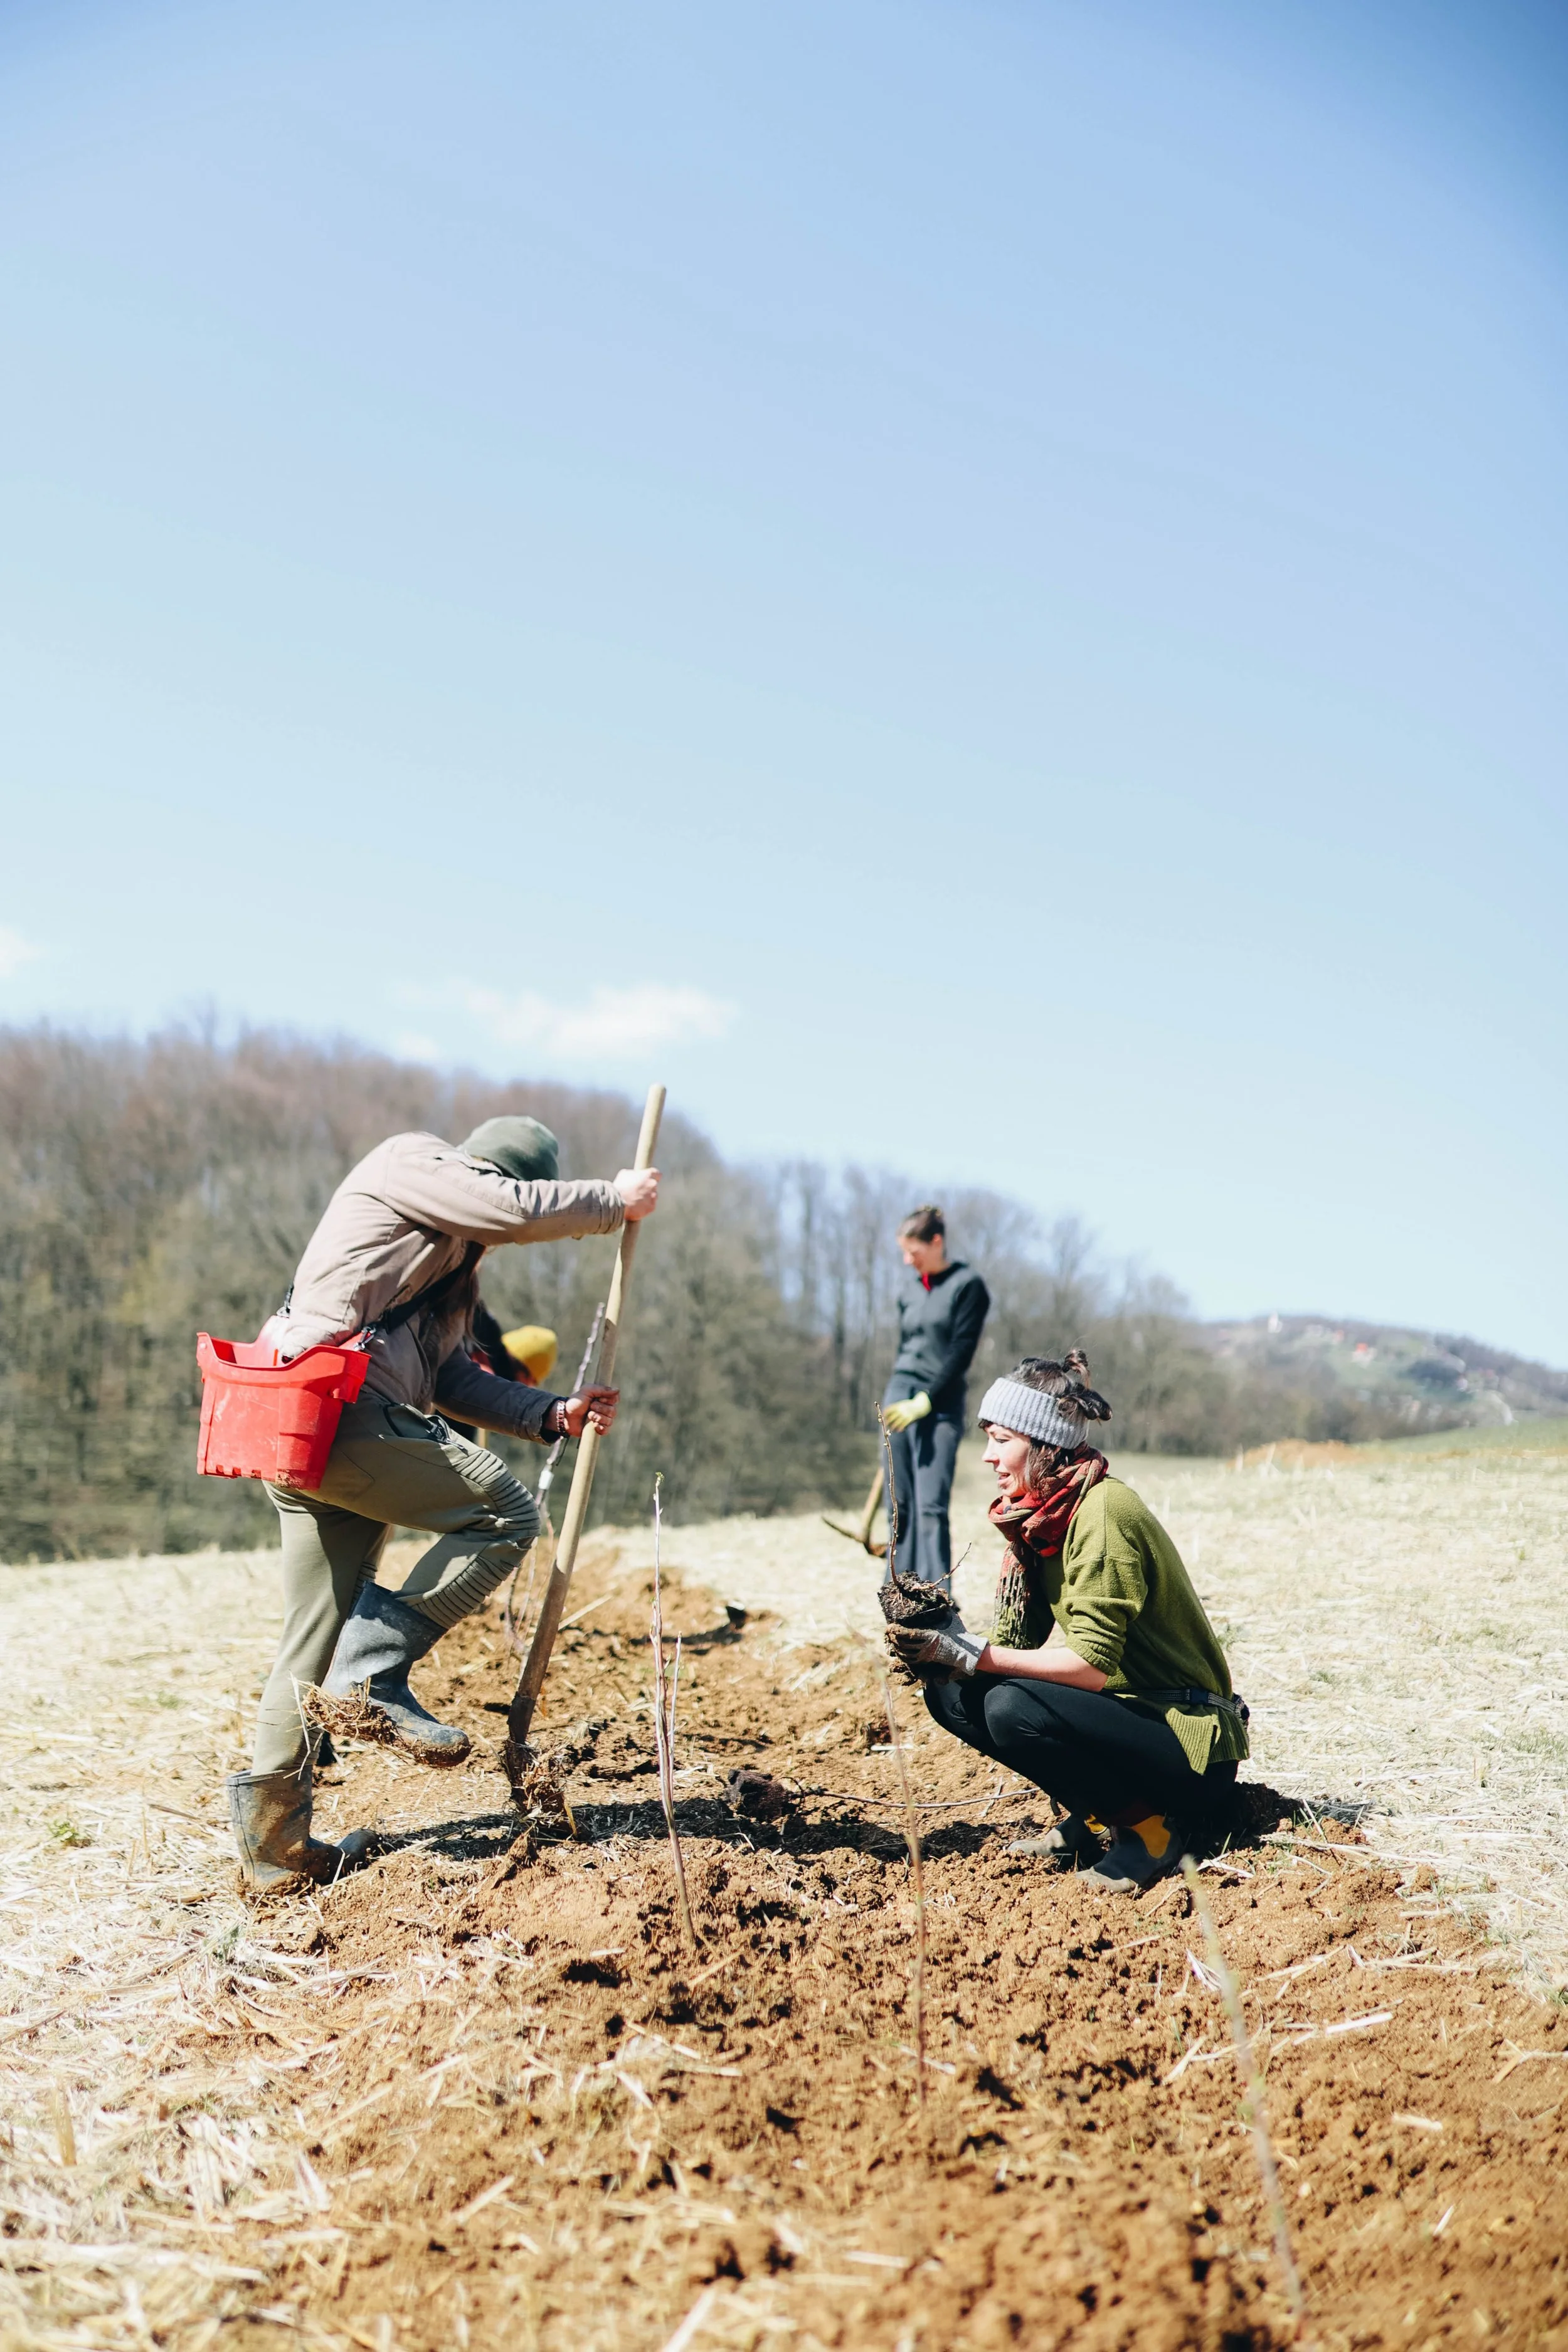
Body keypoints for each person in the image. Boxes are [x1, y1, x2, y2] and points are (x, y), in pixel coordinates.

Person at [225, 1112, 658, 1894]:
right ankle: (374, 1670)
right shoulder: (411, 1163)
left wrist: (550, 1413)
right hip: (335, 1412)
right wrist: (610, 1202)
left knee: (309, 1639)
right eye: (502, 1186)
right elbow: (509, 1210)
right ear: (489, 1172)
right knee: (507, 1515)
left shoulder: (448, 1266)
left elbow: (449, 1379)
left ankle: (275, 1856)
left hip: (313, 1425)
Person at [885, 1352, 1248, 1895]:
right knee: (953, 1697)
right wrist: (945, 1635)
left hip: (1191, 1743)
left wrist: (972, 1653)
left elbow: (1092, 1665)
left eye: (1002, 1440)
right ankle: (1096, 1815)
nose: (988, 1456)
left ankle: (1150, 1831)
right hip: (1135, 1722)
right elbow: (1011, 1648)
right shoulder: (1040, 1523)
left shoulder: (1102, 1514)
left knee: (1011, 1707)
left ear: (1045, 1444)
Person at [880, 1206, 990, 1591]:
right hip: (899, 1393)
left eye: (914, 1252)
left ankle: (934, 1595)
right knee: (899, 1503)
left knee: (930, 1504)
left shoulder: (968, 1286)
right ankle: (897, 1590)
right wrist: (902, 1397)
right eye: (904, 1253)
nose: (908, 1261)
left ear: (937, 1242)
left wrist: (927, 1399)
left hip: (940, 1401)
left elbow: (961, 1351)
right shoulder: (909, 1289)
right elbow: (906, 1347)